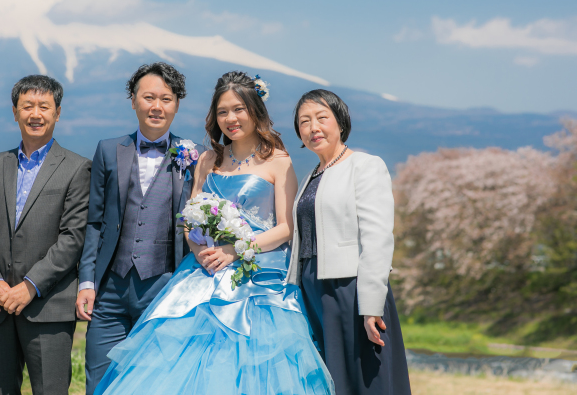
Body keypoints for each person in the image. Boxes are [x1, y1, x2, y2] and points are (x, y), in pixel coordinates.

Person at [93, 71, 334, 395]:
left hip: (258, 279)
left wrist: (237, 250)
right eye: (222, 111)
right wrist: (199, 249)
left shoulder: (278, 160)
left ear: (255, 111)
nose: (230, 119)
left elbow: (286, 228)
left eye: (239, 109)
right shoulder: (208, 159)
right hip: (202, 273)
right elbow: (191, 218)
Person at [76, 62, 204, 395]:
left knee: (157, 382)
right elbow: (94, 222)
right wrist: (87, 281)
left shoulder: (196, 156)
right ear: (133, 101)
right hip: (109, 290)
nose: (157, 106)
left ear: (177, 103)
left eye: (166, 98)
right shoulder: (108, 150)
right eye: (148, 97)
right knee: (100, 379)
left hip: (163, 287)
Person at [0, 75, 91, 395]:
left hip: (47, 307)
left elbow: (73, 238)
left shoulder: (77, 168)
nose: (36, 114)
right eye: (27, 106)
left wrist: (29, 286)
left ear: (57, 113)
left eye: (44, 106)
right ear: (15, 112)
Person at [288, 89, 411, 395]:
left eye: (321, 117)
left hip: (350, 291)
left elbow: (378, 239)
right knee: (331, 381)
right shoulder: (312, 176)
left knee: (365, 382)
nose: (313, 127)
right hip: (312, 290)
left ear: (340, 122)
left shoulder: (365, 166)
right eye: (304, 122)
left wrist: (371, 306)